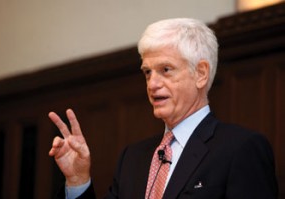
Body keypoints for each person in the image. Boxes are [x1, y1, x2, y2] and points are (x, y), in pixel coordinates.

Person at [49, 18, 278, 199]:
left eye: (165, 69)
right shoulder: (133, 158)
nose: (152, 84)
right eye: (147, 72)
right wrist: (78, 180)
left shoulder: (240, 148)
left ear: (200, 74)